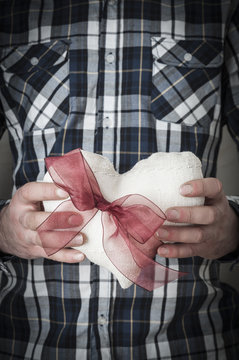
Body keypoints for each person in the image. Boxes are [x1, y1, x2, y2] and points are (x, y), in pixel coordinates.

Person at [0, 0, 239, 358]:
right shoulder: (9, 15)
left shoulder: (220, 10)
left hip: (191, 342)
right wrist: (3, 230)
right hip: (28, 342)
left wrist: (235, 230)